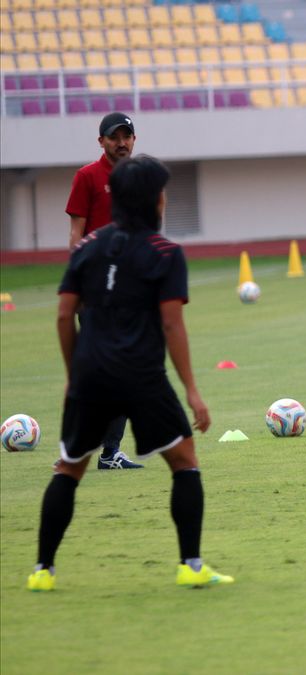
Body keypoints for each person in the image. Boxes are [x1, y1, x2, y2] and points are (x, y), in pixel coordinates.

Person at [28, 155, 231, 592]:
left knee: (68, 467)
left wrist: (72, 375)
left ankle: (42, 571)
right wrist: (193, 391)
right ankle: (191, 566)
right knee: (184, 462)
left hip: (90, 374)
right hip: (141, 375)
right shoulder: (166, 253)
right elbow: (172, 324)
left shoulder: (85, 248)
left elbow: (65, 317)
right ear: (155, 200)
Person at [64, 112, 141, 470]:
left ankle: (108, 451)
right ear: (101, 142)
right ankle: (95, 448)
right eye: (114, 137)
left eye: (127, 136)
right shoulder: (87, 177)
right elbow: (76, 236)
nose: (121, 142)